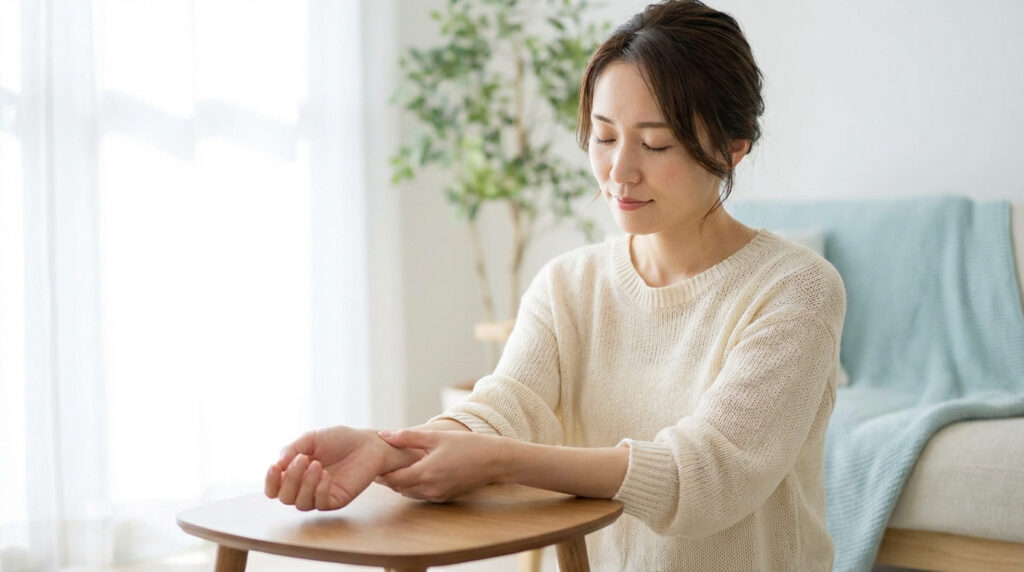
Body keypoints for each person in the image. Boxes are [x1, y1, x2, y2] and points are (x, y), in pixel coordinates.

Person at [265, 1, 845, 570]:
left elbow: (708, 478)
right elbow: (507, 405)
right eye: (603, 136)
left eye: (656, 143)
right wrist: (386, 449)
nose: (620, 171)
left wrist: (498, 461)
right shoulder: (569, 283)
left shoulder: (797, 288)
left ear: (731, 149)